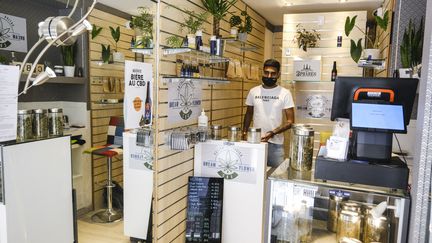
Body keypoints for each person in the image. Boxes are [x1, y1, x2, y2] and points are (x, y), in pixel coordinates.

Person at [242, 59, 295, 167]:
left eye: (273, 73)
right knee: (255, 176)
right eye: (266, 72)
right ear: (263, 72)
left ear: (278, 75)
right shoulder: (253, 91)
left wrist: (273, 133)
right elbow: (248, 114)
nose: (269, 76)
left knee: (276, 177)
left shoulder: (285, 93)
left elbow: (290, 121)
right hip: (255, 142)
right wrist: (244, 132)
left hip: (276, 146)